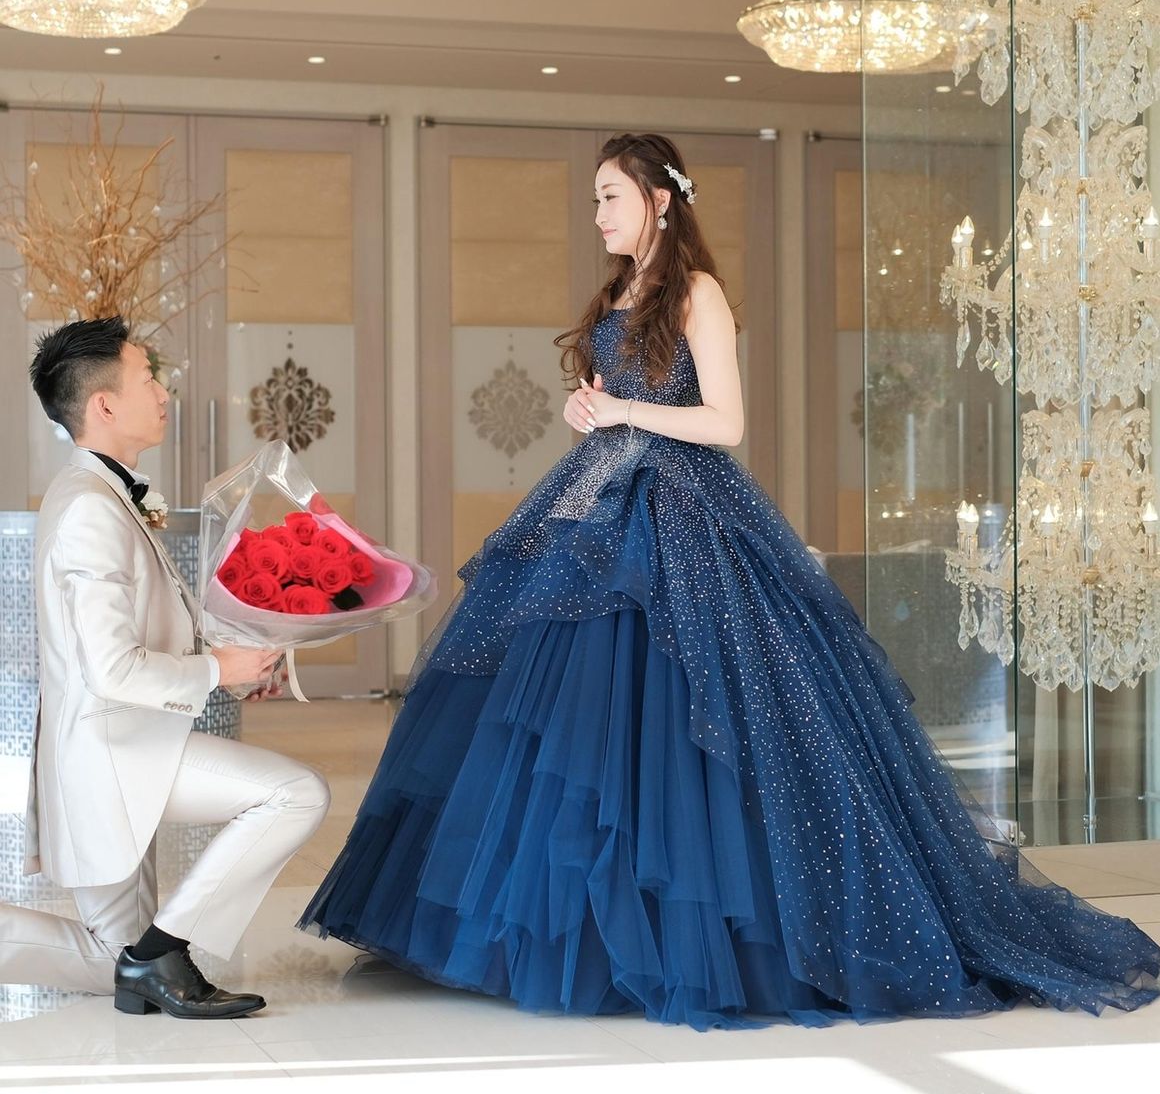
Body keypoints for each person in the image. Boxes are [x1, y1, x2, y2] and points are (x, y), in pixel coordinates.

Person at [299, 134, 1160, 1030]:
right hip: (603, 501)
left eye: (610, 197)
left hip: (684, 513)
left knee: (692, 713)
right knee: (570, 720)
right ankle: (573, 926)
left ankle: (708, 935)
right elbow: (619, 403)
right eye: (594, 199)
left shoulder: (697, 293)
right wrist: (587, 410)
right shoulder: (618, 294)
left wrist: (624, 408)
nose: (597, 215)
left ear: (660, 201)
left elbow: (725, 422)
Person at [0, 316, 330, 1019]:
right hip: (113, 753)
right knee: (295, 793)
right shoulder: (89, 509)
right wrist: (216, 670)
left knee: (112, 960)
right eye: (147, 378)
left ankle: (151, 956)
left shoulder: (104, 493)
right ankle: (162, 952)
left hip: (124, 744)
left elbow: (152, 630)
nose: (163, 393)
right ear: (103, 405)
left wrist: (244, 658)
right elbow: (111, 669)